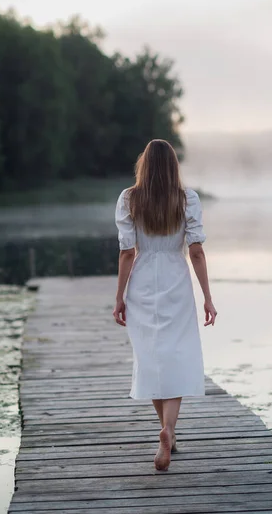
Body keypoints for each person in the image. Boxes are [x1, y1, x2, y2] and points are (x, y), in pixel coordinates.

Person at [113, 138, 217, 471]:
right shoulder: (187, 199)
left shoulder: (130, 198)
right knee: (176, 353)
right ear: (173, 166)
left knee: (153, 356)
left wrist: (119, 297)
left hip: (142, 280)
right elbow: (197, 251)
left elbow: (128, 252)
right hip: (175, 278)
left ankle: (167, 435)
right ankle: (169, 432)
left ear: (144, 165)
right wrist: (208, 297)